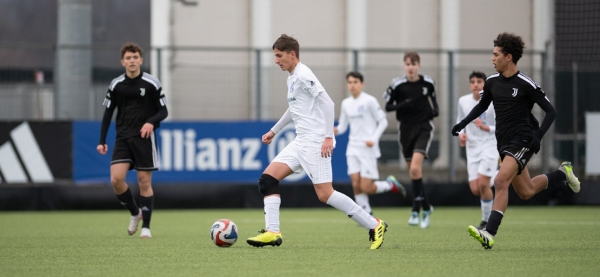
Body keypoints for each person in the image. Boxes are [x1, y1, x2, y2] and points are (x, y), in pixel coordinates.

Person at [246, 34, 388, 250]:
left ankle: (374, 224)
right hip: (300, 142)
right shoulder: (291, 77)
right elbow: (294, 109)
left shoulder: (303, 74)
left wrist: (328, 137)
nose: (276, 61)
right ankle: (273, 232)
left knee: (325, 194)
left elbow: (328, 104)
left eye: (279, 56)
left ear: (292, 54)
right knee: (267, 180)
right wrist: (273, 131)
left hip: (315, 142)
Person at [452, 32, 580, 249]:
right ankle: (563, 173)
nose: (492, 59)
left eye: (496, 54)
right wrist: (462, 123)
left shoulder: (525, 83)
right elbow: (482, 107)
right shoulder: (491, 82)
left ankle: (489, 232)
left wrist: (538, 137)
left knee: (500, 181)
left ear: (508, 57)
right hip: (503, 142)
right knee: (526, 191)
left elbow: (551, 111)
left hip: (523, 140)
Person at [97, 43, 168, 239]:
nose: (132, 61)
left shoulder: (152, 83)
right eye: (128, 58)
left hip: (144, 138)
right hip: (123, 138)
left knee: (144, 181)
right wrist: (102, 140)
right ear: (122, 62)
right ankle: (135, 212)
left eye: (135, 57)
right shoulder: (116, 85)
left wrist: (150, 122)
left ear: (141, 60)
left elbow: (163, 111)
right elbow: (108, 112)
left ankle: (146, 227)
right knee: (116, 180)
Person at [334, 71, 406, 216]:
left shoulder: (369, 101)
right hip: (352, 148)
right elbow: (342, 126)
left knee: (366, 187)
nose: (352, 85)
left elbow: (383, 121)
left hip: (367, 149)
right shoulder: (346, 103)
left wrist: (373, 138)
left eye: (355, 82)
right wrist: (334, 130)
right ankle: (366, 214)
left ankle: (389, 184)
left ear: (362, 84)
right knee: (355, 184)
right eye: (350, 82)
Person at [383, 51, 439, 229]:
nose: (411, 67)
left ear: (419, 66)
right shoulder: (397, 84)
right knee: (415, 173)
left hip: (424, 128)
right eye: (408, 64)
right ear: (404, 66)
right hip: (405, 130)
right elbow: (388, 106)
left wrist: (431, 113)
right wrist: (403, 104)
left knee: (415, 168)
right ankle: (427, 207)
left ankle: (415, 210)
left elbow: (435, 106)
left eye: (414, 64)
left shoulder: (428, 83)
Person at [457, 71, 499, 230]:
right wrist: (461, 135)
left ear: (485, 85)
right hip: (472, 148)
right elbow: (459, 121)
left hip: (489, 145)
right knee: (475, 188)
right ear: (469, 85)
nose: (475, 84)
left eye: (479, 81)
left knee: (483, 184)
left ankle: (485, 221)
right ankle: (503, 176)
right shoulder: (463, 101)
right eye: (473, 81)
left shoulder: (493, 102)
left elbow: (501, 127)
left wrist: (486, 127)